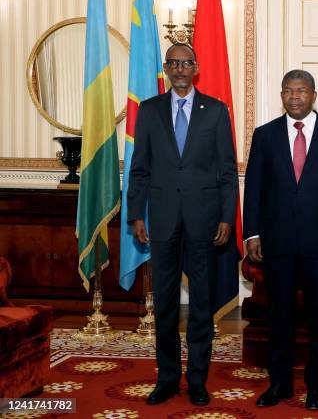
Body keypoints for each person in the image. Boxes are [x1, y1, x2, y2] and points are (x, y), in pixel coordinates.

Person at [127, 43, 238, 406]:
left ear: (197, 67)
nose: (179, 69)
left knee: (202, 304)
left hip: (205, 220)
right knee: (166, 304)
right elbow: (139, 168)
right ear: (166, 67)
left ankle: (198, 380)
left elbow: (226, 171)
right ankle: (167, 378)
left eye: (185, 63)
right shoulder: (149, 110)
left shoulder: (216, 112)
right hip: (161, 219)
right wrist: (136, 214)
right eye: (173, 63)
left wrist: (226, 216)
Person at [243, 69, 318, 410]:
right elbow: (255, 188)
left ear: (313, 95)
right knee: (280, 318)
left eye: (302, 90)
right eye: (289, 90)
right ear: (281, 95)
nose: (295, 96)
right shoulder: (264, 136)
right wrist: (252, 233)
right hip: (276, 244)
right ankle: (279, 385)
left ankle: (316, 386)